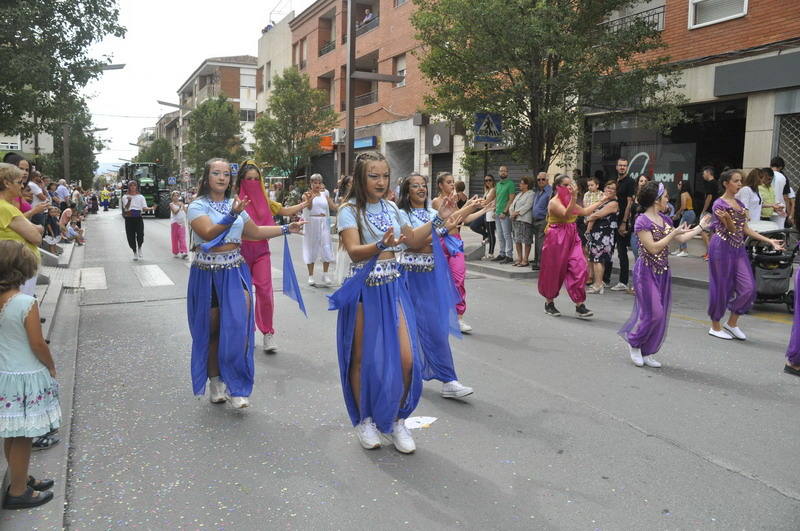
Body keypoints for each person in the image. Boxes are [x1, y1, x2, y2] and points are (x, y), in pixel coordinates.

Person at [328, 151, 456, 453]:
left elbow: (412, 240)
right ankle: (365, 421)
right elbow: (354, 250)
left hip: (393, 286)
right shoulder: (349, 210)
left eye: (385, 175)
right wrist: (382, 244)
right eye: (374, 176)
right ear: (361, 178)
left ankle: (397, 420)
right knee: (361, 358)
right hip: (363, 289)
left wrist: (441, 219)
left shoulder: (390, 207)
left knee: (406, 358)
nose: (381, 181)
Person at [187, 158, 303, 409]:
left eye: (226, 174)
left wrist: (286, 228)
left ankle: (237, 384)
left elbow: (255, 232)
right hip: (207, 273)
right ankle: (216, 380)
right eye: (216, 173)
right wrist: (232, 215)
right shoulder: (197, 206)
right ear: (206, 177)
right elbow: (208, 233)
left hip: (233, 270)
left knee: (239, 327)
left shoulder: (235, 205)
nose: (221, 178)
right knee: (214, 329)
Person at [396, 173, 474, 399]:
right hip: (408, 277)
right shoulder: (401, 214)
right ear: (406, 191)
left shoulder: (431, 213)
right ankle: (405, 375)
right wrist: (435, 229)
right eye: (415, 186)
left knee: (437, 328)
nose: (421, 189)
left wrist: (464, 210)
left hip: (431, 275)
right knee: (407, 328)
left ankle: (448, 380)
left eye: (423, 185)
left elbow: (444, 231)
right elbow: (413, 240)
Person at [620, 183, 709, 368]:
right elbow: (653, 248)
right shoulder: (641, 221)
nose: (668, 199)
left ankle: (647, 351)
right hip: (645, 272)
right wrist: (673, 234)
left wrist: (700, 226)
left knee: (659, 316)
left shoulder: (666, 220)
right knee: (654, 313)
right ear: (656, 200)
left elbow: (682, 238)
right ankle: (634, 343)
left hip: (663, 272)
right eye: (666, 196)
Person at [0, 241, 60, 510]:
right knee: (24, 435)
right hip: (25, 376)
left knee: (11, 433)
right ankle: (18, 491)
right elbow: (37, 344)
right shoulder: (26, 302)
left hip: (5, 376)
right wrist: (50, 364)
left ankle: (18, 477)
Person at [237, 162, 307, 353]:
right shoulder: (235, 202)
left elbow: (283, 211)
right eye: (248, 179)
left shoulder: (266, 201)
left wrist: (303, 204)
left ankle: (268, 333)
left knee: (265, 293)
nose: (252, 182)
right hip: (239, 254)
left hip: (261, 251)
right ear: (241, 180)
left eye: (256, 179)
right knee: (244, 297)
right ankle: (247, 333)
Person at [707, 169, 784, 340]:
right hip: (721, 248)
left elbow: (745, 230)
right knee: (721, 287)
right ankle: (715, 325)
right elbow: (732, 229)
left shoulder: (740, 205)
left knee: (748, 287)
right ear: (726, 184)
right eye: (736, 181)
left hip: (738, 249)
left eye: (740, 181)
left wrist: (769, 240)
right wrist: (727, 219)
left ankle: (732, 323)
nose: (739, 184)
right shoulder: (718, 204)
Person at [539, 174, 600, 318]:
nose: (569, 187)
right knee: (555, 271)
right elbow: (566, 215)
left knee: (579, 266)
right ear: (558, 187)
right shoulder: (554, 202)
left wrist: (604, 200)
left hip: (572, 235)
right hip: (556, 237)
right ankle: (549, 303)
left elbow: (584, 212)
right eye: (566, 185)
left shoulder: (569, 200)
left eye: (570, 184)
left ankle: (580, 305)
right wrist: (574, 197)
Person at [432, 172, 485, 333]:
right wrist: (469, 206)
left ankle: (458, 317)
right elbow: (451, 217)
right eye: (448, 182)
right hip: (442, 241)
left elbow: (464, 220)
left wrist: (484, 209)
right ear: (440, 185)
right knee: (440, 280)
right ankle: (439, 313)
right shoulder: (437, 202)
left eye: (453, 182)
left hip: (456, 242)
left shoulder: (454, 201)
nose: (452, 185)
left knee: (458, 279)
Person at [0, 163, 42, 297]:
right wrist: (38, 228)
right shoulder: (5, 208)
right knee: (21, 310)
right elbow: (36, 237)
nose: (22, 186)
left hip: (15, 268)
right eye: (19, 182)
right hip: (18, 269)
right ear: (7, 183)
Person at [603, 158, 635, 290]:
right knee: (608, 250)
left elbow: (629, 204)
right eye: (620, 165)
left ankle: (623, 281)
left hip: (622, 221)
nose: (622, 167)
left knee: (622, 252)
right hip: (611, 221)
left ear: (627, 167)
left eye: (624, 166)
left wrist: (624, 222)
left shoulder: (630, 182)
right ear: (616, 167)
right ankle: (605, 279)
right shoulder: (615, 181)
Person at [301, 174, 338, 286]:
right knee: (311, 247)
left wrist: (346, 202)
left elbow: (333, 207)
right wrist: (310, 199)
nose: (317, 185)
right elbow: (309, 208)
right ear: (311, 184)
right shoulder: (306, 195)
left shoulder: (325, 194)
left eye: (319, 182)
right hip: (312, 223)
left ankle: (325, 274)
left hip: (324, 223)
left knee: (326, 245)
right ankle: (311, 276)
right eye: (315, 183)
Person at [586, 181, 619, 294]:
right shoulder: (604, 201)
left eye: (613, 189)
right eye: (608, 187)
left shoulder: (613, 203)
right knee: (596, 259)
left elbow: (597, 214)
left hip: (604, 234)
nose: (609, 190)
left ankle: (598, 284)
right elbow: (592, 211)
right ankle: (598, 283)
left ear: (616, 192)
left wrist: (589, 218)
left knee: (598, 259)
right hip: (597, 233)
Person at [487, 166, 515, 264]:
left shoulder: (510, 184)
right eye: (501, 171)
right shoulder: (498, 185)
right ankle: (502, 253)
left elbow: (511, 199)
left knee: (507, 234)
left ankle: (509, 255)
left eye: (504, 171)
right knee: (499, 234)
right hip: (498, 213)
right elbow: (497, 199)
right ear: (499, 173)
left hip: (505, 214)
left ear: (507, 173)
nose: (503, 172)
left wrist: (505, 211)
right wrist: (495, 210)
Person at [122, 181, 154, 261]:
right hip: (129, 218)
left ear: (136, 187)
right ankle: (134, 252)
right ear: (129, 187)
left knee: (140, 235)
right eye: (131, 185)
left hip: (138, 217)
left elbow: (144, 207)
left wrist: (151, 208)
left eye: (134, 185)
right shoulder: (125, 196)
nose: (133, 187)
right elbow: (126, 208)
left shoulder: (141, 197)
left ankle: (139, 247)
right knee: (130, 236)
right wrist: (129, 201)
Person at [509, 175, 534, 267]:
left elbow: (528, 205)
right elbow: (512, 205)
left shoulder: (531, 193)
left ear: (527, 185)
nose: (520, 184)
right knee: (517, 239)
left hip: (524, 220)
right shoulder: (519, 194)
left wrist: (517, 213)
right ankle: (519, 258)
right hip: (515, 220)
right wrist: (512, 213)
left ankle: (525, 259)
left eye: (522, 183)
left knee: (526, 240)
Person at [530, 172, 551, 271]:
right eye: (538, 180)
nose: (540, 181)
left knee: (541, 243)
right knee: (538, 242)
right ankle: (537, 261)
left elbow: (550, 208)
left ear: (547, 180)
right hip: (535, 220)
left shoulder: (549, 191)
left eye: (543, 179)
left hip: (544, 220)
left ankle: (540, 263)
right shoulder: (538, 191)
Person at [699, 166, 720, 261]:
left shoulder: (710, 183)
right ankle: (709, 253)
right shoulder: (716, 183)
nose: (703, 175)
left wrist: (704, 209)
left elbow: (709, 197)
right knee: (711, 233)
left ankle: (710, 253)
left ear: (708, 173)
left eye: (704, 173)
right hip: (714, 210)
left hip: (709, 211)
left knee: (702, 230)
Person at [671, 179, 696, 257]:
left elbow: (683, 207)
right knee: (681, 231)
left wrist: (676, 214)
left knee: (681, 231)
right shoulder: (687, 193)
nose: (678, 185)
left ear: (683, 186)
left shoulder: (683, 194)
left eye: (680, 184)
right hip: (689, 213)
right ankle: (681, 249)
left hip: (688, 213)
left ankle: (684, 250)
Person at [769, 157, 789, 228]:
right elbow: (785, 196)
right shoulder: (783, 177)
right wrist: (788, 212)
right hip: (780, 207)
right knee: (778, 230)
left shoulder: (765, 174)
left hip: (767, 206)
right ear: (781, 167)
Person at [169, 191, 189, 259]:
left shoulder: (181, 203)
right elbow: (175, 212)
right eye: (174, 195)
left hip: (182, 223)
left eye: (177, 195)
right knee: (175, 238)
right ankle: (175, 252)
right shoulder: (171, 204)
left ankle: (184, 252)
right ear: (172, 197)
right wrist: (179, 206)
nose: (176, 197)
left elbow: (186, 211)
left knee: (182, 237)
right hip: (174, 223)